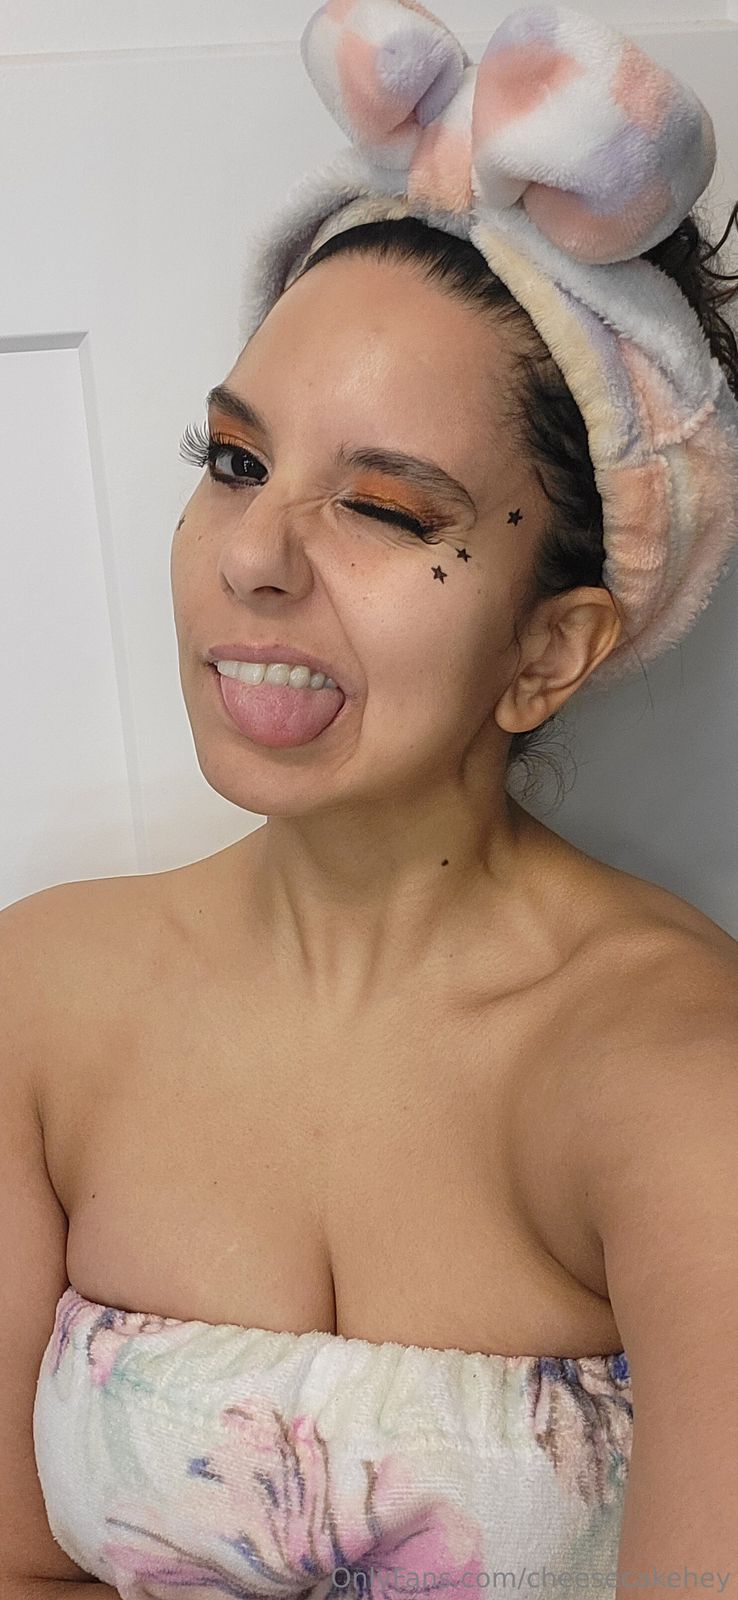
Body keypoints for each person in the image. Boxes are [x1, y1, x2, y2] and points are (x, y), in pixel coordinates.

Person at [3, 3, 738, 1597]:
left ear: (546, 649)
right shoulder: (38, 995)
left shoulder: (682, 1078)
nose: (254, 557)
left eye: (387, 508)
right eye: (233, 461)